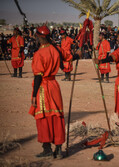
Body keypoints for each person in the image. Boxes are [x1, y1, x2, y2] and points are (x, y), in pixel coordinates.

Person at [29, 25, 65, 159]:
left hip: (43, 88)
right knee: (57, 117)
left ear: (39, 37)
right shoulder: (56, 50)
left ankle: (47, 148)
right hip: (54, 86)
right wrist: (77, 55)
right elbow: (68, 60)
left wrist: (34, 94)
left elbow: (38, 76)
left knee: (43, 118)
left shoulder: (39, 54)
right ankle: (59, 149)